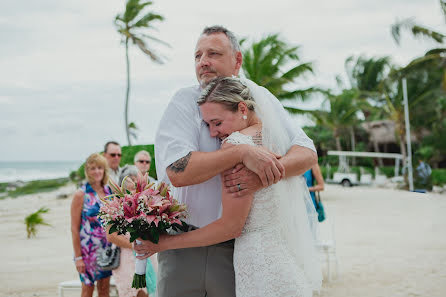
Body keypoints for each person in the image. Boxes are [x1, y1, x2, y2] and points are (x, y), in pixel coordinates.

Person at [150, 26, 318, 297]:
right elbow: (178, 172)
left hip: (237, 247)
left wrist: (265, 174)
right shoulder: (184, 101)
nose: (203, 61)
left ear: (237, 61)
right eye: (197, 55)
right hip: (185, 248)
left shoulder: (261, 98)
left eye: (213, 53)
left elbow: (307, 152)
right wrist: (241, 153)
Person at [106, 165, 156, 297]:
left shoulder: (146, 203)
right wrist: (135, 245)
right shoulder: (115, 205)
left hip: (147, 254)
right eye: (131, 180)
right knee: (135, 292)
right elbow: (111, 236)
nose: (134, 183)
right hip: (126, 256)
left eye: (136, 180)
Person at [70, 153, 112, 297]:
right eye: (92, 168)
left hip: (106, 251)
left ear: (104, 169)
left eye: (100, 167)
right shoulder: (80, 194)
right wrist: (78, 258)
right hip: (87, 253)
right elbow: (74, 229)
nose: (97, 171)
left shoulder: (109, 192)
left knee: (104, 290)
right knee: (87, 291)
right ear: (87, 172)